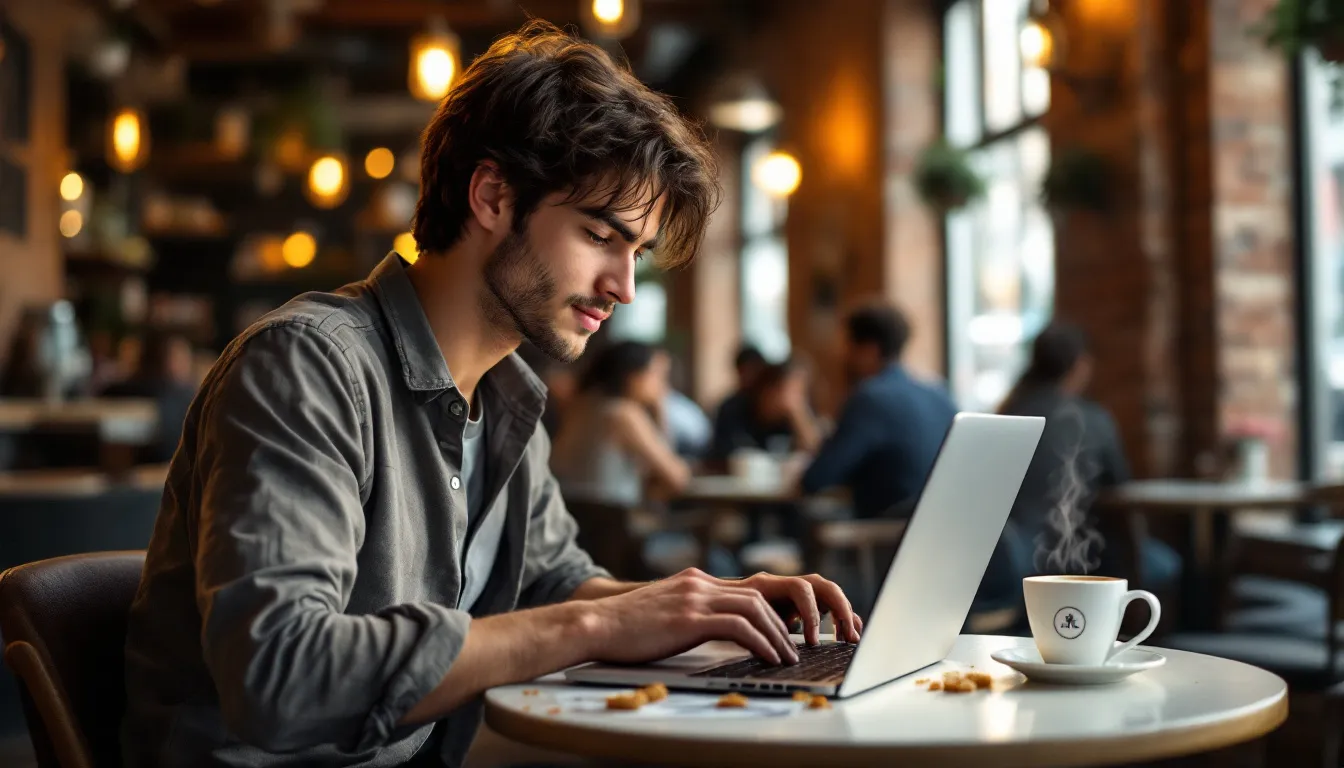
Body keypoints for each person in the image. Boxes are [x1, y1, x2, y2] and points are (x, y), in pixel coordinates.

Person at [121, 22, 860, 768]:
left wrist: (701, 608)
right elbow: (279, 673)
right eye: (601, 235)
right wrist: (599, 628)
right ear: (492, 196)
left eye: (636, 254)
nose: (625, 288)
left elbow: (556, 585)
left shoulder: (508, 399)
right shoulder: (308, 367)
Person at [994, 322, 1180, 591]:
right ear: (1081, 365)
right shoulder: (1092, 419)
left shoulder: (1005, 416)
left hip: (1008, 558)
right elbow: (1120, 491)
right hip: (1073, 555)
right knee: (1163, 562)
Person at [800, 303, 957, 518]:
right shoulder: (939, 394)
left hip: (889, 535)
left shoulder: (870, 399)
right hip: (943, 527)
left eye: (845, 345)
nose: (839, 356)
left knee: (807, 518)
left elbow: (817, 478)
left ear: (869, 350)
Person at [551, 340, 690, 504]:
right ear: (632, 376)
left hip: (568, 512)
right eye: (658, 375)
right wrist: (661, 409)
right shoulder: (623, 413)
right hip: (609, 520)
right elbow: (677, 477)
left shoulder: (582, 405)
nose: (664, 386)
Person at [101, 330, 198, 463]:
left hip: (128, 470)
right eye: (180, 359)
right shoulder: (185, 397)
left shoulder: (114, 390)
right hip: (164, 469)